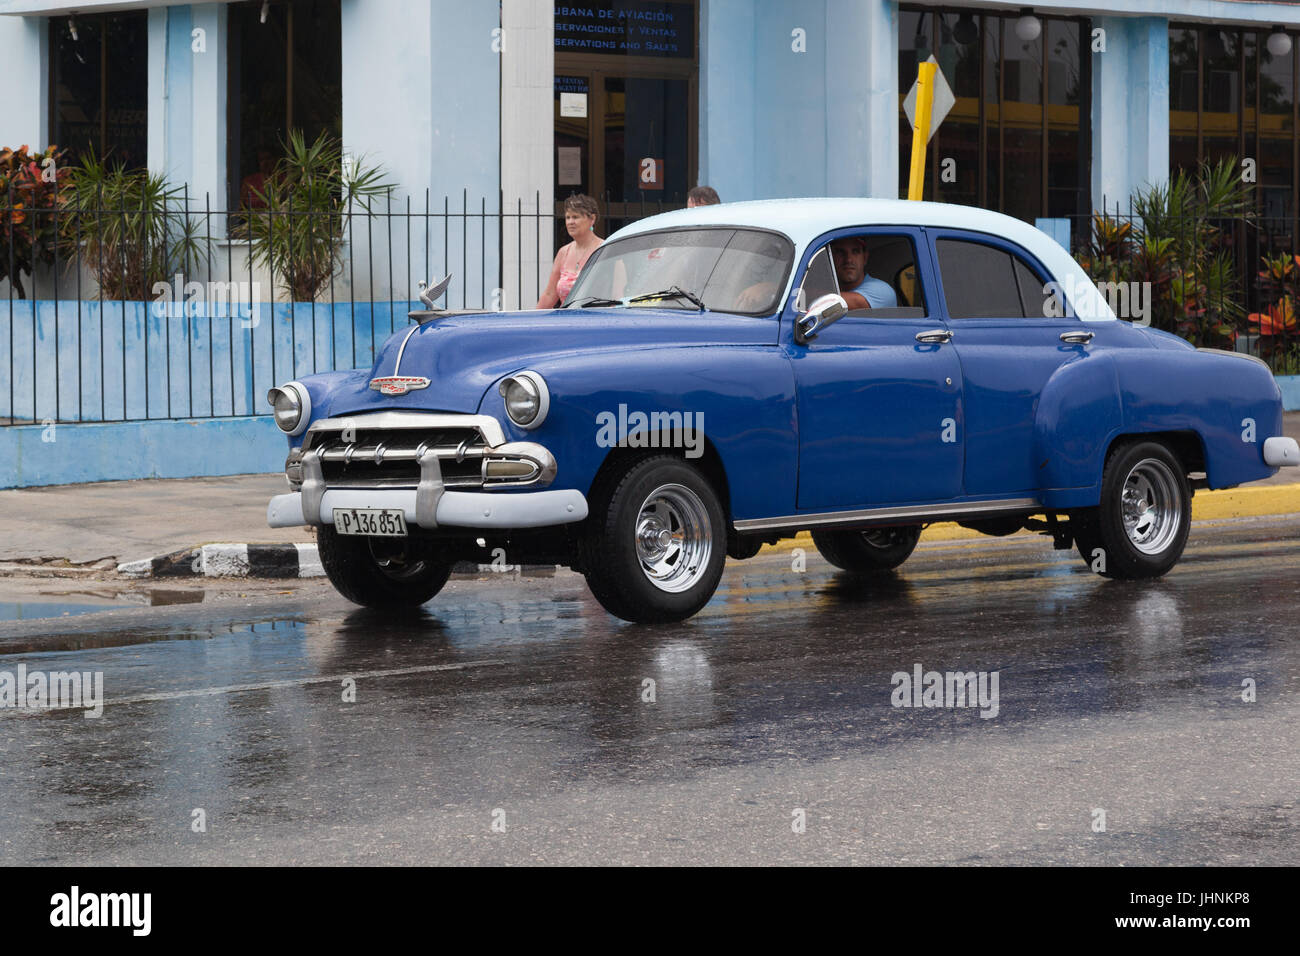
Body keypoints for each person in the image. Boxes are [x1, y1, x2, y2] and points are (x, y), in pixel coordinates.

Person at [537, 194, 603, 308]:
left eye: (575, 217)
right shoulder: (563, 252)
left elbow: (617, 294)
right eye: (568, 217)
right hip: (566, 321)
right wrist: (533, 321)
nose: (570, 222)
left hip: (596, 320)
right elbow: (549, 294)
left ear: (592, 219)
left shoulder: (604, 249)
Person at [829, 236, 898, 309]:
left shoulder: (883, 291)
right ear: (831, 258)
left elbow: (828, 302)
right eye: (841, 252)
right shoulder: (831, 289)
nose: (848, 260)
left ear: (865, 258)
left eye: (855, 252)